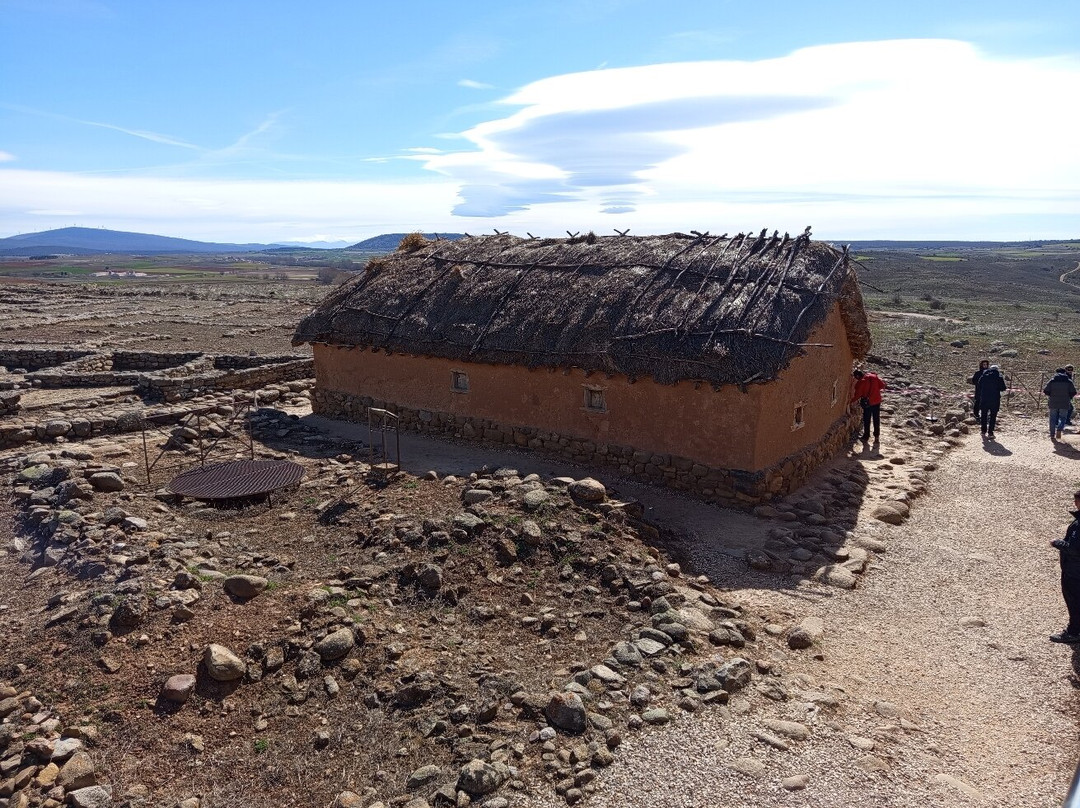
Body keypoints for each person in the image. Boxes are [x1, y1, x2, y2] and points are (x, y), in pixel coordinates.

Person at [1050, 491, 1080, 643]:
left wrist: (1057, 543)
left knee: (1074, 601)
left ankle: (1074, 632)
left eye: (1077, 501)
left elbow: (1074, 549)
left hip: (1075, 572)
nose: (1075, 504)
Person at [850, 368, 887, 443]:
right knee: (876, 419)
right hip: (877, 401)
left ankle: (866, 436)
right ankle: (876, 437)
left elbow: (858, 395)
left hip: (868, 403)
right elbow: (882, 385)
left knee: (867, 419)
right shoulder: (874, 376)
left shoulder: (860, 383)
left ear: (857, 376)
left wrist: (850, 401)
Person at [1044, 367, 1077, 441]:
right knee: (1063, 418)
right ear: (1064, 372)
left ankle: (1052, 435)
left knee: (1052, 419)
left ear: (1056, 373)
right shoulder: (1069, 381)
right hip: (1065, 402)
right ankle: (1059, 429)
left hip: (1053, 402)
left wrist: (1051, 395)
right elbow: (1074, 392)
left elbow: (1045, 390)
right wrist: (1069, 397)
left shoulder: (1052, 381)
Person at [975, 363, 1006, 439]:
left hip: (984, 398)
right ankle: (990, 433)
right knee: (993, 416)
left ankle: (983, 431)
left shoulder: (984, 375)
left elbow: (979, 385)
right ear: (997, 369)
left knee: (983, 415)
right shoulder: (999, 376)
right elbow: (1003, 388)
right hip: (994, 399)